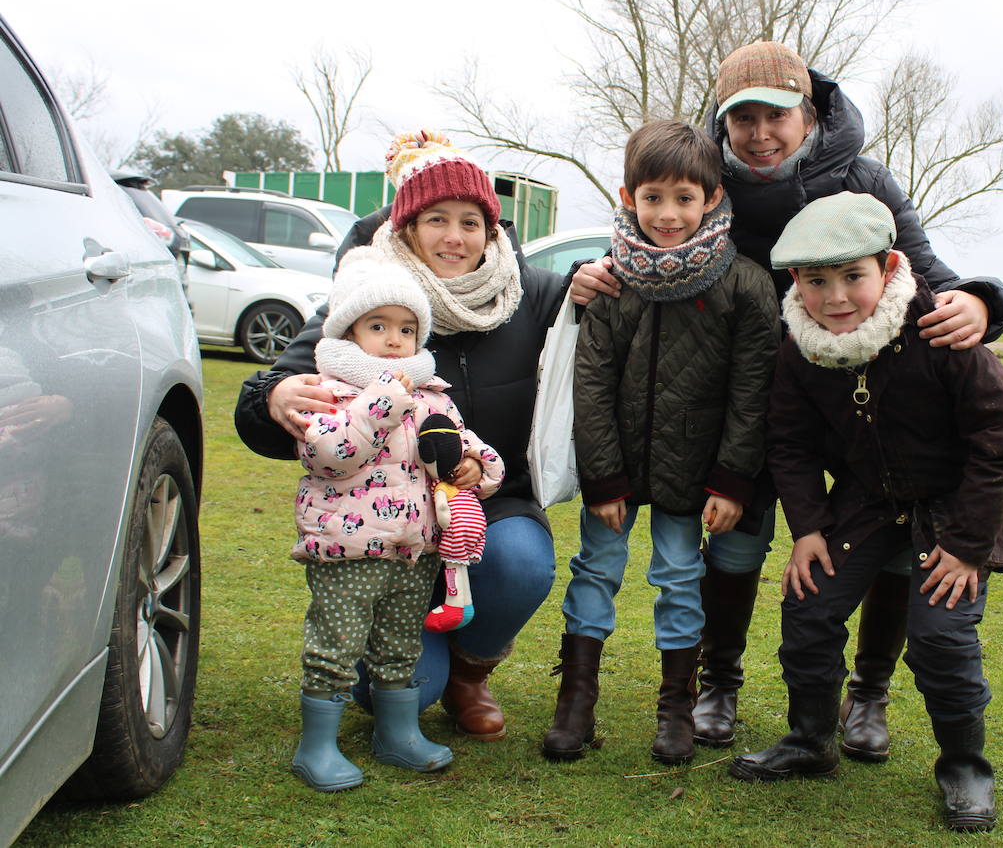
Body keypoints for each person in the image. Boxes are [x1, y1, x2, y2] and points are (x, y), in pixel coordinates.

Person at [570, 41, 1003, 759]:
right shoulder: (708, 175)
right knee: (739, 541)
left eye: (775, 115)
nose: (760, 134)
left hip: (856, 396)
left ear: (808, 113)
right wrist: (588, 274)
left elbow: (926, 272)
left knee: (891, 545)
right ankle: (718, 680)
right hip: (744, 400)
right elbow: (647, 232)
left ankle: (866, 695)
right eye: (741, 117)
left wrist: (982, 304)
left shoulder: (864, 178)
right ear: (722, 124)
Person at [236, 130, 565, 743]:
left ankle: (472, 673)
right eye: (436, 219)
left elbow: (607, 305)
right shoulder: (371, 297)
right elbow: (271, 396)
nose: (454, 237)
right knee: (411, 694)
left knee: (522, 564)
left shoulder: (535, 294)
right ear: (408, 226)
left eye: (471, 221)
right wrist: (274, 397)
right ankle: (409, 672)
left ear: (491, 229)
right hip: (385, 516)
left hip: (488, 504)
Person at [728, 192, 1003, 833]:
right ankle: (811, 741)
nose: (836, 297)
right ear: (795, 283)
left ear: (889, 268)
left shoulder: (943, 330)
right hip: (864, 502)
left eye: (853, 276)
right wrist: (808, 527)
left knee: (941, 638)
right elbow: (790, 443)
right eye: (817, 281)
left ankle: (964, 765)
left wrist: (970, 542)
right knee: (808, 607)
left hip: (952, 510)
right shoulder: (799, 348)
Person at [542, 120, 779, 766]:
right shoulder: (612, 280)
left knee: (680, 575)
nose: (668, 214)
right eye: (653, 198)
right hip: (616, 468)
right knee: (596, 570)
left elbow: (751, 392)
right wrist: (603, 477)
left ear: (712, 197)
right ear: (629, 197)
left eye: (683, 198)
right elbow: (591, 381)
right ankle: (577, 704)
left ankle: (677, 707)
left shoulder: (745, 285)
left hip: (694, 470)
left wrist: (733, 480)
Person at [286, 250, 501, 791]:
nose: (392, 339)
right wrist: (382, 400)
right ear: (348, 329)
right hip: (347, 548)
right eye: (377, 325)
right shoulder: (326, 391)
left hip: (416, 547)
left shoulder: (431, 396)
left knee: (400, 642)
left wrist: (475, 465)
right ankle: (317, 744)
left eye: (407, 329)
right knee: (336, 641)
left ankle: (397, 732)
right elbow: (330, 455)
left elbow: (462, 446)